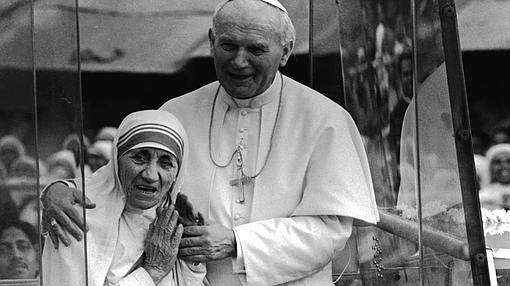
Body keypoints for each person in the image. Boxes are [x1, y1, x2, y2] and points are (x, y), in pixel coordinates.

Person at [42, 1, 379, 285]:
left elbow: (331, 233)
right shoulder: (176, 112)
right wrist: (58, 188)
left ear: (286, 51)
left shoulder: (326, 120)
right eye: (228, 46)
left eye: (257, 49)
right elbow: (122, 181)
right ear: (211, 42)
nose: (239, 61)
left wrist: (237, 243)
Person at [42, 110, 206, 286]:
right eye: (139, 158)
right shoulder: (76, 214)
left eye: (166, 163)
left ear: (177, 174)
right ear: (116, 159)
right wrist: (152, 272)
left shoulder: (177, 220)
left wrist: (191, 260)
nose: (150, 175)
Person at [479, 143, 510, 210]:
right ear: (490, 167)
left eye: (508, 161)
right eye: (498, 162)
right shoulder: (482, 197)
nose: (504, 166)